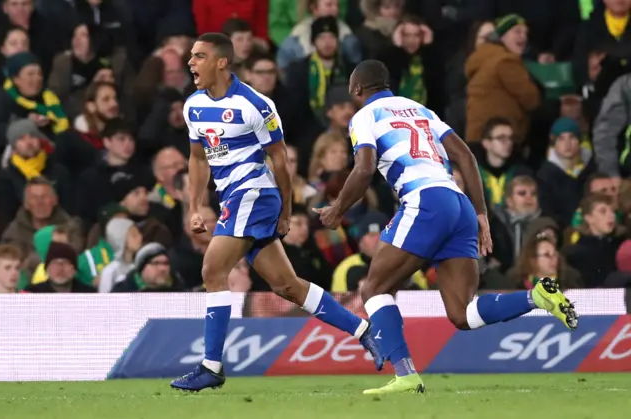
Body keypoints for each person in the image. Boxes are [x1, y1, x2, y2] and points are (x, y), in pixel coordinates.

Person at [313, 60, 579, 395]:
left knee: (374, 290)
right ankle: (536, 297)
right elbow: (466, 157)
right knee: (462, 313)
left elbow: (364, 168)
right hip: (460, 204)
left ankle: (406, 374)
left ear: (356, 90)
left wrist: (338, 208)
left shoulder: (365, 116)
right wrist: (481, 215)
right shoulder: (421, 110)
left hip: (424, 200)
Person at [169, 33, 382, 392]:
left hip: (254, 192)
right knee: (287, 286)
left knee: (213, 269)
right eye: (191, 56)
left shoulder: (256, 105)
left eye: (199, 56)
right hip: (232, 198)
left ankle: (211, 366)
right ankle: (362, 329)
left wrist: (285, 210)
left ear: (222, 62)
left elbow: (281, 161)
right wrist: (193, 206)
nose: (190, 62)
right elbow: (196, 157)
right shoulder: (192, 106)